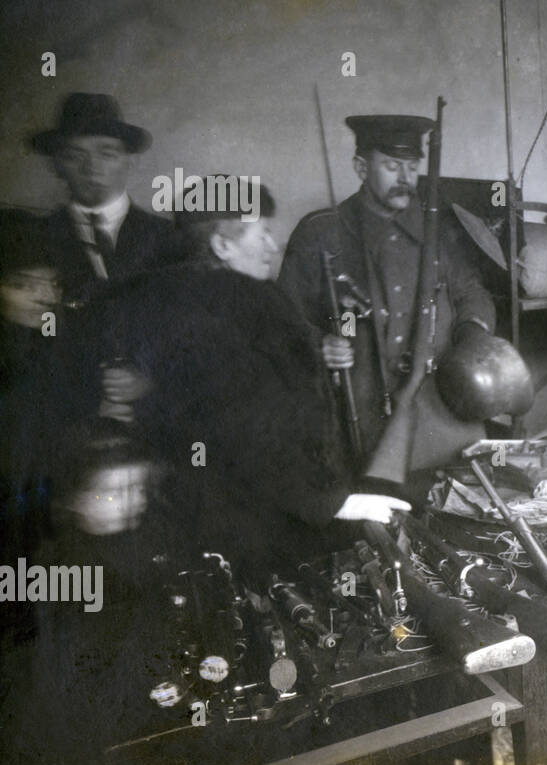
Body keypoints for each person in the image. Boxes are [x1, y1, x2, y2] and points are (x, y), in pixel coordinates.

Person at [110, 180, 409, 585]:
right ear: (222, 246)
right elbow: (246, 433)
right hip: (246, 527)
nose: (273, 246)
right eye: (262, 233)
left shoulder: (191, 301)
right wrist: (338, 504)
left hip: (225, 513)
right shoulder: (228, 313)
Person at [278, 115, 497, 471]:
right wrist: (318, 344)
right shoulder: (321, 233)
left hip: (440, 410)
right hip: (358, 414)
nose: (405, 179)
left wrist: (472, 334)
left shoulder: (438, 229)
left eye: (412, 167)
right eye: (392, 166)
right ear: (361, 167)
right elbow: (282, 318)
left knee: (460, 508)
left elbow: (472, 292)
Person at [30, 93, 180, 304]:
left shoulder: (170, 237)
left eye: (107, 154)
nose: (92, 168)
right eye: (75, 156)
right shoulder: (32, 237)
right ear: (56, 165)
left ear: (132, 162)